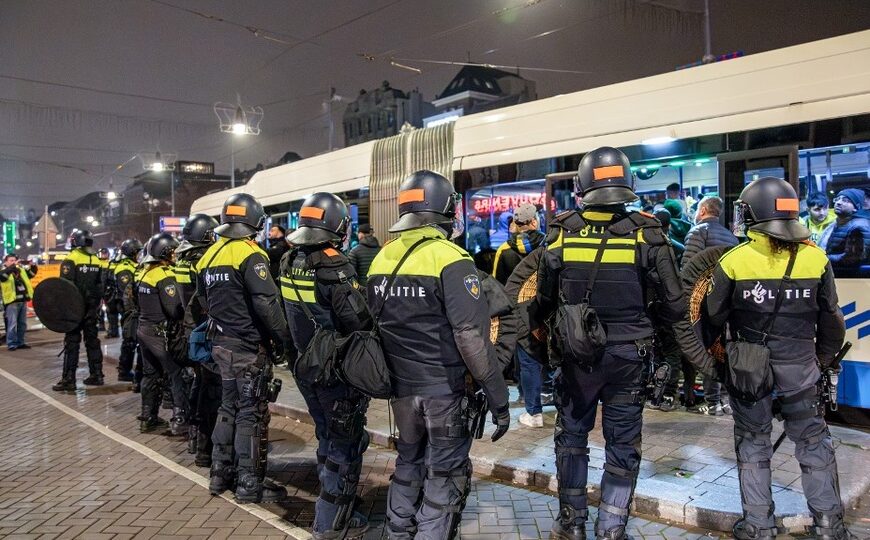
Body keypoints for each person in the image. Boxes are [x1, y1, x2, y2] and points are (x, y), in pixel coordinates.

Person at [536, 147, 689, 540]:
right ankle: (611, 526)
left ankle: (571, 524)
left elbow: (543, 301)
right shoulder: (649, 231)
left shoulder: (560, 230)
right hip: (629, 356)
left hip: (576, 356)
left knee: (571, 437)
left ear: (582, 185)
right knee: (622, 443)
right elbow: (675, 305)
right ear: (629, 183)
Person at [704, 177, 854, 540]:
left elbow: (711, 319)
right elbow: (832, 320)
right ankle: (829, 525)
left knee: (754, 443)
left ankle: (758, 525)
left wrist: (722, 364)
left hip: (749, 371)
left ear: (755, 213)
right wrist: (819, 360)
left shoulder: (734, 261)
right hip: (802, 369)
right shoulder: (816, 257)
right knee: (814, 444)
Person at [368, 170, 510, 540]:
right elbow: (471, 339)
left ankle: (396, 532)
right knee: (444, 473)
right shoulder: (452, 259)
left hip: (400, 389)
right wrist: (499, 399)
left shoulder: (381, 258)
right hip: (443, 390)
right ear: (446, 208)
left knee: (408, 462)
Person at [280, 193, 373, 539]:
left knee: (326, 434)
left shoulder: (289, 260)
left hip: (306, 368)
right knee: (343, 442)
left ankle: (334, 501)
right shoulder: (335, 267)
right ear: (336, 225)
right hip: (335, 370)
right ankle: (331, 519)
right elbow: (359, 322)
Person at [197, 193, 292, 503]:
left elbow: (201, 302)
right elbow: (267, 303)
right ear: (255, 222)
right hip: (248, 347)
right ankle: (249, 484)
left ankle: (218, 473)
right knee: (249, 413)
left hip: (220, 345)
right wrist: (282, 338)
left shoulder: (209, 256)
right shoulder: (250, 255)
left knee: (227, 408)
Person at [490, 203, 549, 427]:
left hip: (517, 313)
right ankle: (550, 394)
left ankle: (532, 408)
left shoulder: (504, 250)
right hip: (544, 310)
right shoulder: (547, 245)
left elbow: (497, 285)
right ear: (534, 222)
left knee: (526, 359)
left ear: (516, 224)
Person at [680, 196, 739, 415]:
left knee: (704, 349)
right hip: (725, 301)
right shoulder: (730, 236)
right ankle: (723, 399)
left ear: (703, 210)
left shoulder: (698, 232)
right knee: (721, 347)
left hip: (702, 302)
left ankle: (711, 399)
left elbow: (688, 270)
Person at [176, 213, 221, 467]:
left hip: (189, 329)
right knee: (211, 391)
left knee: (199, 385)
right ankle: (206, 448)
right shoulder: (201, 260)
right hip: (204, 330)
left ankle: (195, 439)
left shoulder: (182, 259)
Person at [135, 233, 184, 433]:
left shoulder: (144, 273)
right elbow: (173, 309)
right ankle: (179, 419)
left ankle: (148, 417)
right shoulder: (164, 276)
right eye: (173, 251)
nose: (175, 255)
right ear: (165, 252)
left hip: (144, 330)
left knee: (150, 374)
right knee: (176, 374)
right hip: (159, 333)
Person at [53, 229, 106, 391]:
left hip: (75, 309)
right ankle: (97, 375)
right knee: (92, 341)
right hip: (92, 309)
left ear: (75, 241)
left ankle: (69, 379)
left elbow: (65, 287)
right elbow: (100, 286)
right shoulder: (96, 259)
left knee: (72, 343)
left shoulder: (71, 259)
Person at [114, 239, 142, 383]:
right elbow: (126, 292)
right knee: (129, 340)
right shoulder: (124, 269)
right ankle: (124, 370)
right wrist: (130, 311)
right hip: (127, 309)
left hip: (133, 309)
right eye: (138, 251)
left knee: (133, 339)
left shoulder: (134, 266)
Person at [824, 188, 870, 277]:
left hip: (852, 278)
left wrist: (824, 258)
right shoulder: (839, 223)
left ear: (856, 207)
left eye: (846, 201)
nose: (839, 202)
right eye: (837, 199)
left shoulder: (859, 226)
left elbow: (852, 258)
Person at [0, 254, 36, 350]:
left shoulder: (21, 271)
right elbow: (3, 277)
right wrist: (12, 267)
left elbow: (32, 274)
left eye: (14, 260)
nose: (13, 262)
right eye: (11, 260)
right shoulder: (3, 272)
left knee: (22, 324)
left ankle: (21, 343)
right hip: (12, 302)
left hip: (23, 300)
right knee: (12, 324)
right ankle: (11, 344)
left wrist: (33, 265)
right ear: (6, 262)